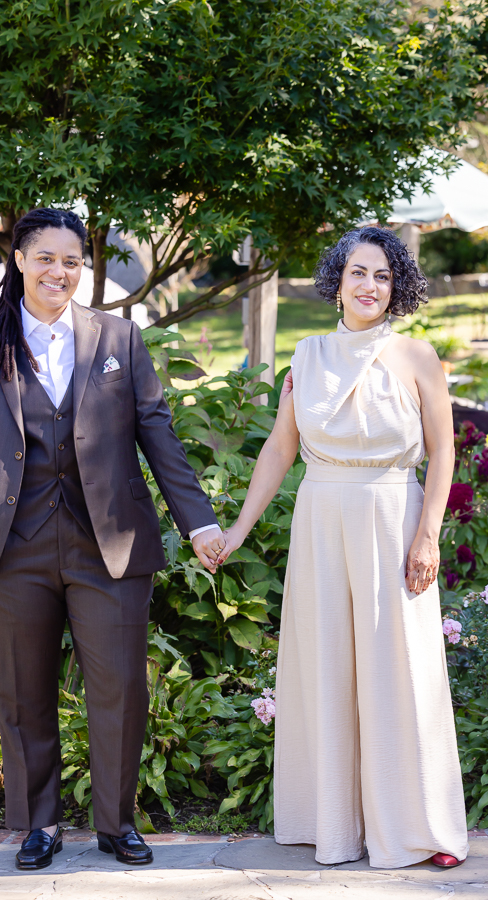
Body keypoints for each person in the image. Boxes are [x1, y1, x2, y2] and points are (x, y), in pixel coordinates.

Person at [0, 208, 226, 870]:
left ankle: (116, 825)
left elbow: (158, 433)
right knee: (23, 690)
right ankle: (39, 825)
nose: (58, 272)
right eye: (45, 258)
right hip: (9, 550)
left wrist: (198, 521)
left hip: (110, 544)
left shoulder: (119, 338)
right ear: (19, 261)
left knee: (120, 685)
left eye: (71, 261)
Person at [218, 226, 468, 869]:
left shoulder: (417, 356)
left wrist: (428, 535)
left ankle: (421, 827)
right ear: (337, 281)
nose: (369, 286)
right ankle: (331, 823)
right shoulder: (305, 355)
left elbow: (443, 453)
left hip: (393, 513)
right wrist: (238, 530)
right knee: (327, 666)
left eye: (383, 276)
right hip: (321, 516)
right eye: (358, 272)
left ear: (397, 288)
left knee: (401, 669)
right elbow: (280, 449)